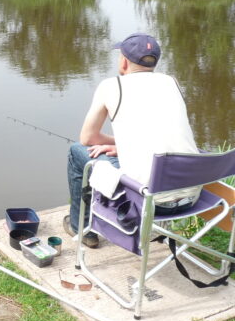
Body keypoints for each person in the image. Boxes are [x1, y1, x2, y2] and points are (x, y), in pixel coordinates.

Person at [64, 32, 200, 248]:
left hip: (147, 200)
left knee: (77, 151)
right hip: (192, 198)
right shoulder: (171, 82)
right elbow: (160, 131)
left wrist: (120, 144)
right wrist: (123, 146)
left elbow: (88, 137)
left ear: (124, 61)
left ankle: (80, 227)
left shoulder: (112, 86)